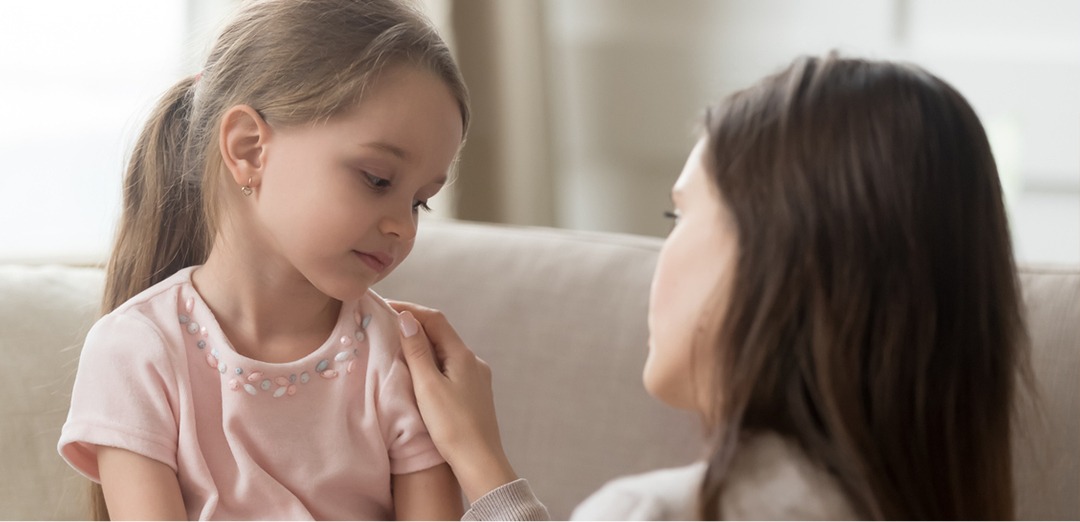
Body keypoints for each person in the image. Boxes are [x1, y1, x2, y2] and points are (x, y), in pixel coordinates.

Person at [392, 53, 1029, 520]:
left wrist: (478, 467)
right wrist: (483, 464)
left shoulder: (657, 512)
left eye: (681, 216)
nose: (661, 256)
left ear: (776, 259)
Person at [57, 0, 469, 519]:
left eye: (419, 202)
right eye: (377, 179)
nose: (403, 227)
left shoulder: (398, 358)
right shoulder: (137, 351)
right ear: (249, 149)